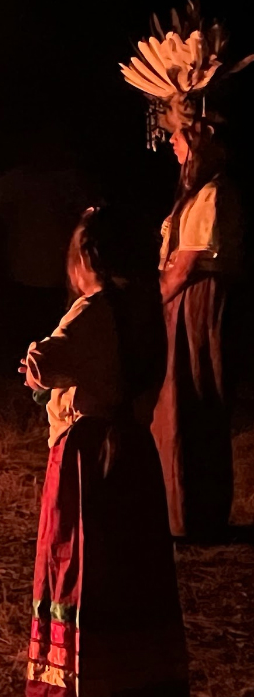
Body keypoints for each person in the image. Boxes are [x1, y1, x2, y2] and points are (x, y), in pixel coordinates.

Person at [20, 206, 188, 697]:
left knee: (78, 565)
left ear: (86, 258)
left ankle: (82, 679)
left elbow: (49, 361)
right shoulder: (144, 309)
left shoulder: (94, 310)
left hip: (87, 458)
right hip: (133, 453)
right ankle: (139, 677)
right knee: (130, 569)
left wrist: (33, 370)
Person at [120, 9, 251, 538]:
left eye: (178, 137)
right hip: (184, 303)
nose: (171, 145)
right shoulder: (196, 194)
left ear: (197, 139)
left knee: (191, 406)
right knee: (173, 410)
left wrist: (149, 304)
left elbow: (186, 264)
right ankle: (178, 514)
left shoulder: (216, 195)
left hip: (196, 308)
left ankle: (192, 519)